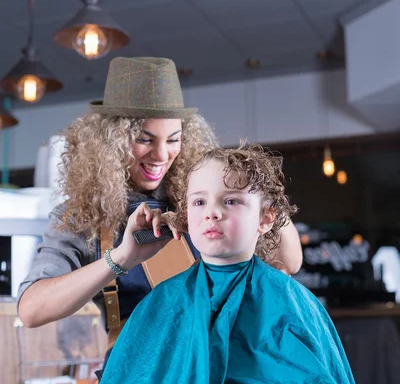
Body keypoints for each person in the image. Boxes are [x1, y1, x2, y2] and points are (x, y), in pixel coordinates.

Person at [0, 144, 394, 384]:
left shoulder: (290, 300)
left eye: (232, 201)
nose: (213, 212)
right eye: (200, 201)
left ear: (266, 218)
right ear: (185, 216)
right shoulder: (165, 300)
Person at [16, 56, 302, 349]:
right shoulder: (83, 215)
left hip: (215, 369)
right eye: (145, 139)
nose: (162, 155)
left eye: (173, 140)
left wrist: (252, 189)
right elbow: (31, 310)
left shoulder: (199, 196)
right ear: (111, 140)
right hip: (138, 381)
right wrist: (120, 259)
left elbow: (289, 261)